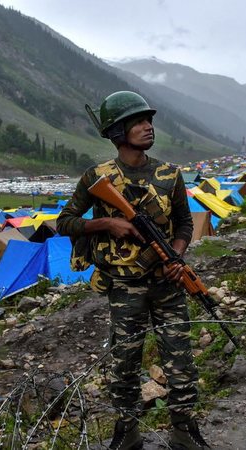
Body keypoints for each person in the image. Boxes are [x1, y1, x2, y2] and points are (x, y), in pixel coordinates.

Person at [56, 91, 209, 450]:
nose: (148, 126)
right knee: (124, 361)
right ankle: (127, 431)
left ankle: (184, 430)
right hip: (124, 287)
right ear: (117, 131)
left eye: (148, 120)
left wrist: (176, 256)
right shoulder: (97, 177)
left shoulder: (170, 174)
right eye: (138, 122)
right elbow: (65, 222)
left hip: (167, 284)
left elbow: (185, 224)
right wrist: (108, 223)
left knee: (180, 359)